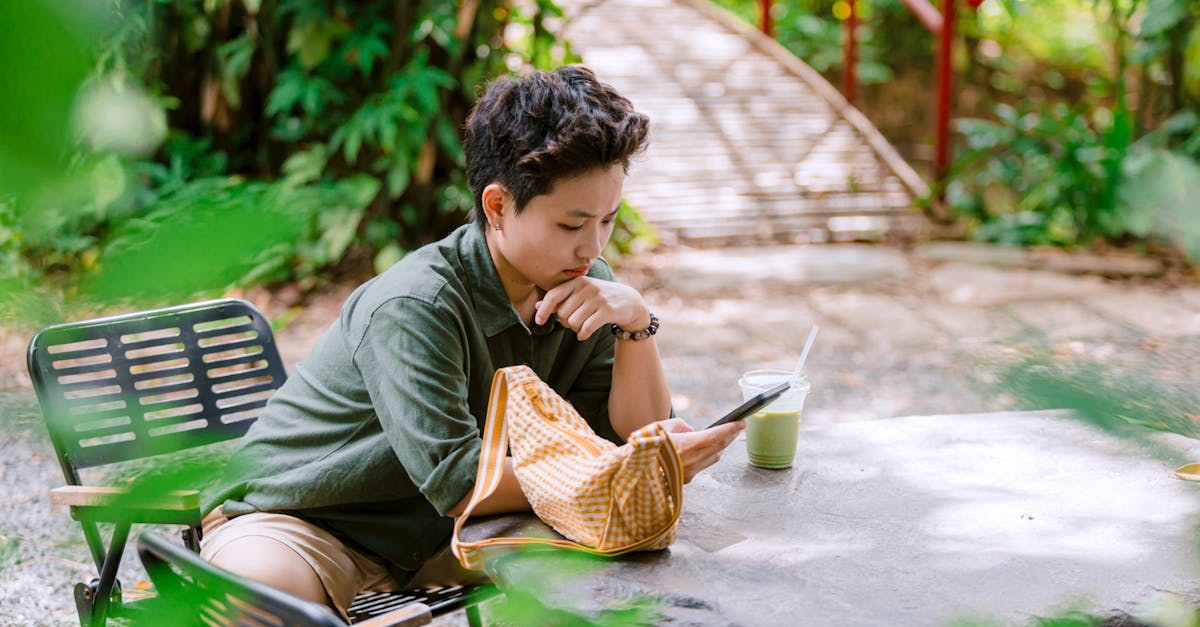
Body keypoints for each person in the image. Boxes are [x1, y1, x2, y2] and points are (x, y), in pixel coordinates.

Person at [199, 65, 745, 619]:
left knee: (641, 588)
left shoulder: (587, 285)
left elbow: (635, 436)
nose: (592, 246)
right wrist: (622, 471)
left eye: (607, 220)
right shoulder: (415, 305)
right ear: (497, 206)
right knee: (262, 604)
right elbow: (459, 481)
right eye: (570, 225)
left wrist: (637, 328)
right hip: (311, 521)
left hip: (456, 534)